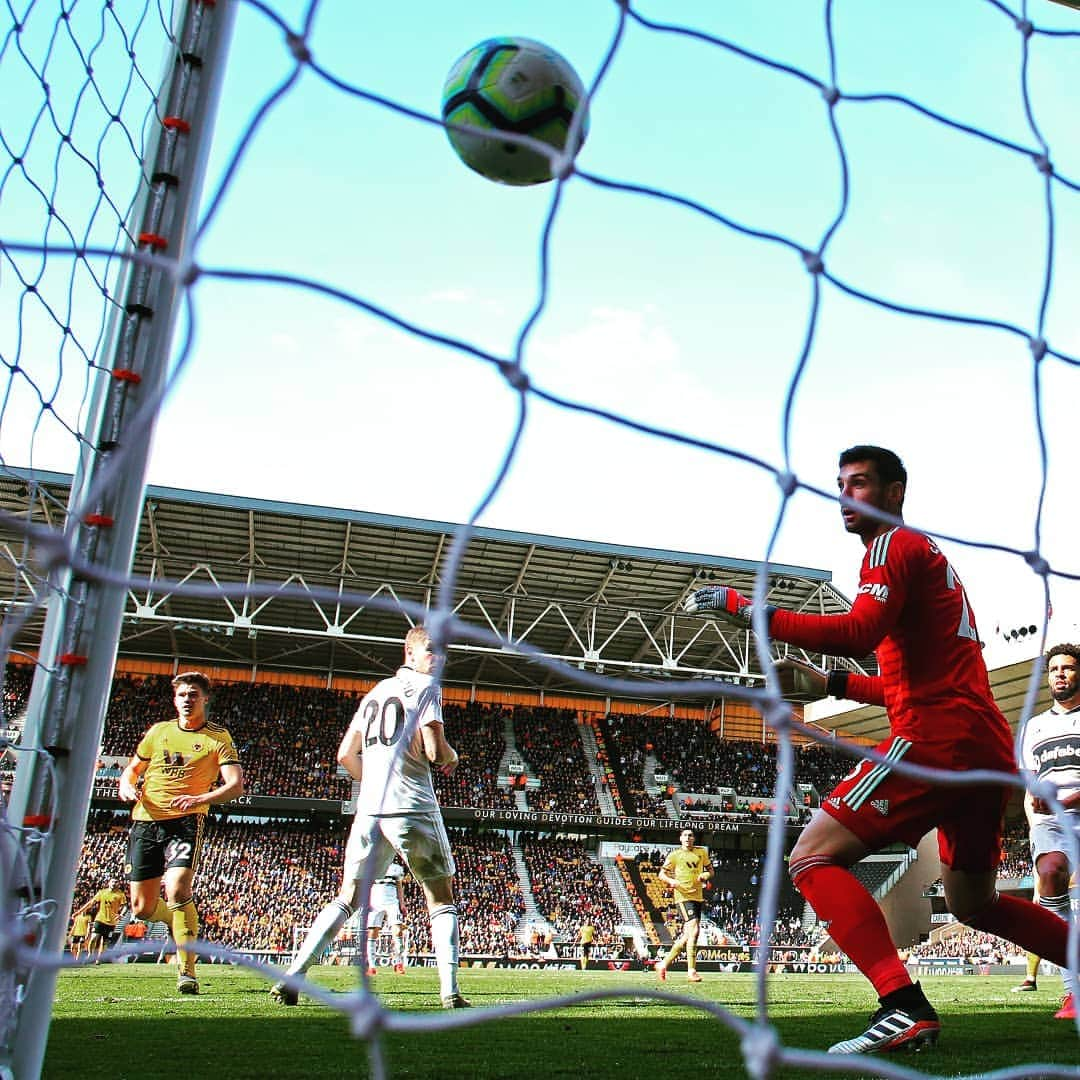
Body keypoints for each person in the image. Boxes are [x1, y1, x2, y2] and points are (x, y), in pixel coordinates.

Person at [685, 445, 1073, 1054]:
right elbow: (907, 684)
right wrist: (830, 685)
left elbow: (856, 630)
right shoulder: (923, 558)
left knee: (811, 857)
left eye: (859, 483)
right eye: (839, 484)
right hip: (980, 746)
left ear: (895, 493)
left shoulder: (893, 545)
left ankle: (902, 1005)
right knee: (975, 902)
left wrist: (746, 609)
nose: (845, 494)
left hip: (933, 743)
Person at [271, 626, 468, 1009]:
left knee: (348, 898)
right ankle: (450, 992)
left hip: (370, 810)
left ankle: (293, 977)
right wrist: (453, 757)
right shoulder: (428, 687)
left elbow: (346, 754)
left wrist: (375, 782)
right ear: (409, 652)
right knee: (440, 900)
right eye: (431, 650)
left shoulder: (375, 693)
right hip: (412, 807)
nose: (439, 658)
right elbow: (434, 751)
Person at [118, 670, 244, 995]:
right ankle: (178, 920)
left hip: (187, 821)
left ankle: (186, 972)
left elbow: (235, 786)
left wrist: (200, 798)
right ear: (174, 700)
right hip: (146, 820)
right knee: (141, 909)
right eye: (182, 695)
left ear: (205, 699)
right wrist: (126, 785)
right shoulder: (159, 732)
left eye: (193, 694)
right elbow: (133, 769)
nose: (187, 700)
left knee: (176, 889)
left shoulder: (218, 737)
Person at [1018, 642, 1080, 1020]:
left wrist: (1068, 801)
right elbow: (1030, 786)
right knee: (1050, 873)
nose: (1060, 673)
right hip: (1051, 823)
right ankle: (1073, 992)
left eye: (1068, 667)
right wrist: (1035, 823)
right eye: (1054, 668)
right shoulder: (1033, 727)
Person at [655, 828, 712, 983]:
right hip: (683, 896)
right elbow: (661, 874)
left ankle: (663, 964)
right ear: (680, 838)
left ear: (694, 838)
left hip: (698, 897)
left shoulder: (701, 853)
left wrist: (705, 875)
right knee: (694, 930)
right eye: (685, 835)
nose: (688, 837)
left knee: (688, 936)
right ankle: (691, 971)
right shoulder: (675, 855)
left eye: (690, 835)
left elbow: (711, 871)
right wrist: (671, 881)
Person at [364, 859, 407, 975]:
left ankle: (398, 963)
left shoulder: (396, 868)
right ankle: (371, 966)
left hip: (392, 902)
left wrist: (402, 904)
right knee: (372, 934)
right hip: (375, 902)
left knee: (398, 932)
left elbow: (399, 887)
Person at [73, 878, 126, 961]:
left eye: (116, 882)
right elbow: (91, 903)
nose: (114, 883)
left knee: (105, 942)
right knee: (94, 937)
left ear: (118, 884)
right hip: (100, 919)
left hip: (111, 922)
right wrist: (79, 912)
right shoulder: (102, 893)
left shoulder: (120, 895)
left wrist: (121, 914)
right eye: (112, 881)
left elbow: (125, 906)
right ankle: (90, 954)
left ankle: (99, 959)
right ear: (109, 883)